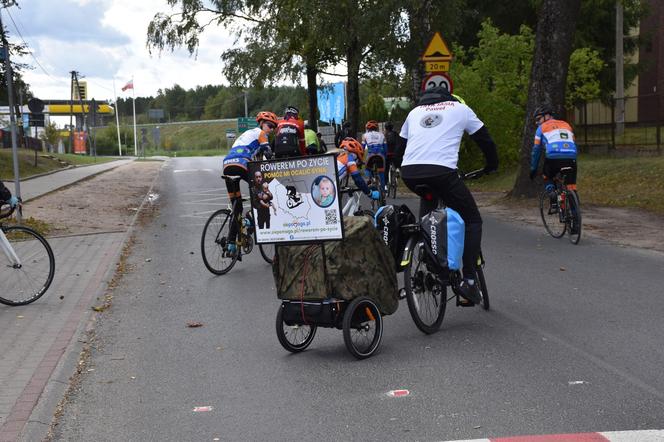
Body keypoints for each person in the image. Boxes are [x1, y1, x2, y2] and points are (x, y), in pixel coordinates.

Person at [399, 86, 498, 305]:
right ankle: (470, 281)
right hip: (442, 172)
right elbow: (485, 140)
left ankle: (429, 258)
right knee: (472, 220)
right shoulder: (460, 108)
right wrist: (492, 165)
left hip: (410, 173)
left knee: (427, 212)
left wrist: (404, 167)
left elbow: (398, 147)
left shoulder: (414, 112)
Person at [222, 111, 278, 255]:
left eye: (273, 127)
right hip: (241, 163)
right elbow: (268, 152)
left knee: (237, 207)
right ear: (261, 123)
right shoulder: (260, 134)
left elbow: (257, 159)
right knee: (263, 189)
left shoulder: (246, 135)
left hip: (227, 164)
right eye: (269, 125)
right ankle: (250, 219)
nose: (271, 129)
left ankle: (231, 244)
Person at [529, 104, 578, 213]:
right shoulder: (566, 124)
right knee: (571, 188)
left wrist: (533, 169)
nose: (537, 122)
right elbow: (574, 143)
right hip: (571, 157)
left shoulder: (540, 129)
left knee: (547, 176)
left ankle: (553, 199)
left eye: (538, 119)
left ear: (547, 116)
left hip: (553, 157)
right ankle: (575, 222)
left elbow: (536, 151)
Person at [336, 137, 381, 203]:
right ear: (357, 155)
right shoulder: (350, 159)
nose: (357, 163)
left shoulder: (338, 156)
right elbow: (358, 180)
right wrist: (369, 193)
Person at [361, 120, 387, 191]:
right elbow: (385, 148)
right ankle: (383, 189)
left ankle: (369, 180)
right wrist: (385, 157)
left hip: (371, 155)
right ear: (377, 128)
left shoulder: (364, 135)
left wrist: (360, 159)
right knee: (381, 172)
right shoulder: (382, 135)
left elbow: (362, 148)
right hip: (380, 155)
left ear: (368, 128)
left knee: (367, 168)